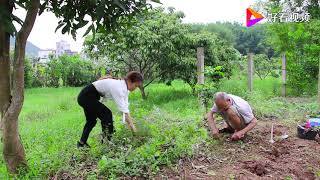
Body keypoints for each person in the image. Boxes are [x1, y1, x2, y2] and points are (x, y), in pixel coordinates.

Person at [77, 71, 143, 148]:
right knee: (106, 114)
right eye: (136, 85)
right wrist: (134, 129)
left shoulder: (124, 88)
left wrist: (131, 125)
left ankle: (81, 143)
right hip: (86, 96)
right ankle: (107, 143)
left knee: (91, 121)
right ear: (130, 81)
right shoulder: (118, 87)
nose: (135, 88)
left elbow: (125, 108)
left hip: (88, 96)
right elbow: (124, 110)